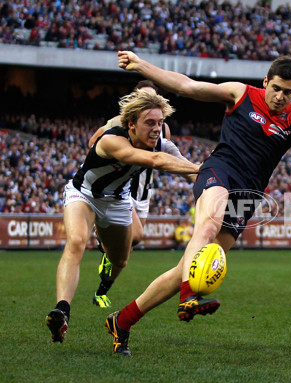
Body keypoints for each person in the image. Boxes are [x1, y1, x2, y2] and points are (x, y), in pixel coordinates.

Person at [104, 51, 291, 355]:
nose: (279, 96)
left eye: (287, 92)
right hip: (219, 170)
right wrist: (141, 65)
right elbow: (188, 86)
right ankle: (189, 297)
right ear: (266, 81)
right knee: (207, 224)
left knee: (187, 266)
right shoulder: (241, 94)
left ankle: (124, 319)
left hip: (247, 196)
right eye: (275, 88)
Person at [45, 89, 202, 344]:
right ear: (131, 124)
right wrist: (199, 167)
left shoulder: (161, 145)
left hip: (118, 202)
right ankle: (62, 310)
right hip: (85, 194)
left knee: (121, 259)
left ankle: (104, 269)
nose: (156, 129)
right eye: (150, 123)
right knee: (75, 242)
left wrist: (214, 180)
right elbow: (153, 160)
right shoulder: (112, 140)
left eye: (160, 123)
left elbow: (190, 172)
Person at [88, 80, 196, 309]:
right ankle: (103, 236)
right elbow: (95, 140)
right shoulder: (118, 123)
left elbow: (168, 154)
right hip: (122, 188)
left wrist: (200, 172)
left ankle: (102, 288)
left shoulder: (162, 128)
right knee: (134, 236)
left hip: (144, 191)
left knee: (130, 245)